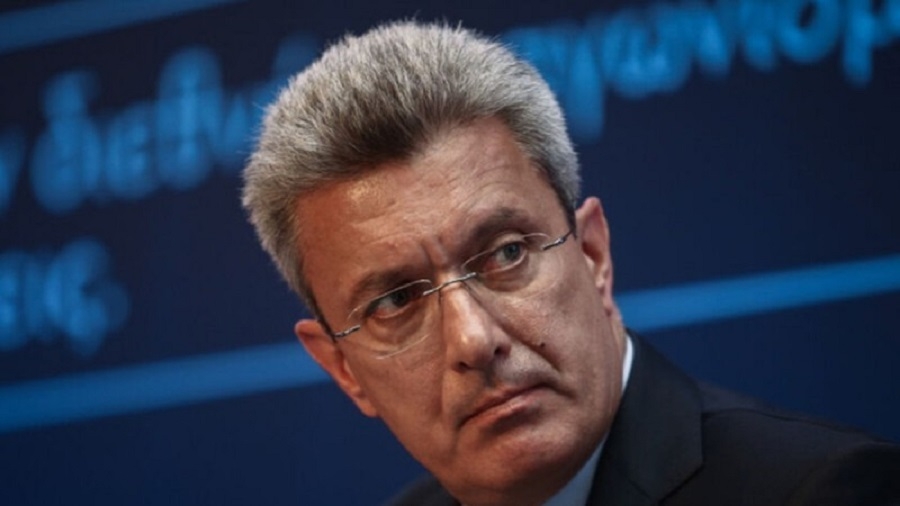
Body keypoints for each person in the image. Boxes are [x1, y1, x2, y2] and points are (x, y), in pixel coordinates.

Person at [241, 21, 900, 506]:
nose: (473, 340)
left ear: (593, 256)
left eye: (506, 254)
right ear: (344, 369)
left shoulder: (822, 492)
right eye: (396, 302)